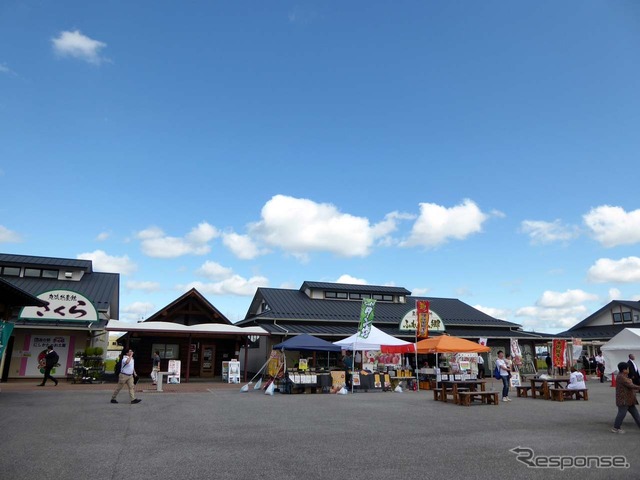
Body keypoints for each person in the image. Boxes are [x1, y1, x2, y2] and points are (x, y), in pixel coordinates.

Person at [611, 362, 640, 434]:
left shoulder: (624, 376)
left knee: (636, 414)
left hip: (629, 399)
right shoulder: (622, 377)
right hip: (623, 400)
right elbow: (631, 385)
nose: (628, 369)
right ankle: (616, 428)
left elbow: (630, 386)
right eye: (627, 368)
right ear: (624, 370)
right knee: (621, 414)